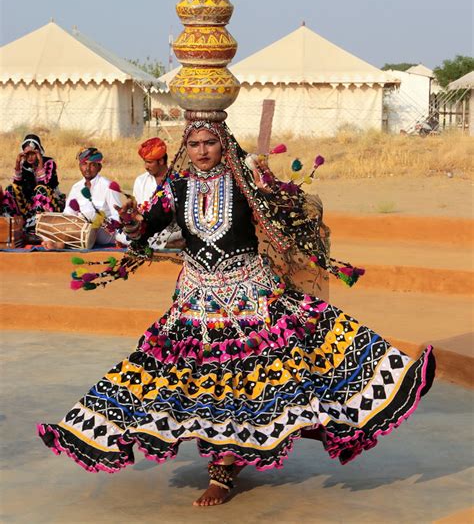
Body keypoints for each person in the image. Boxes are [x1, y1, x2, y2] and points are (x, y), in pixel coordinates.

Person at [38, 121, 435, 507]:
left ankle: (229, 469)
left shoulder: (244, 181)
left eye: (210, 143)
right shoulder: (174, 186)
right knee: (195, 380)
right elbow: (148, 227)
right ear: (185, 149)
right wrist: (132, 220)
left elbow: (285, 217)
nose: (203, 151)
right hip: (197, 298)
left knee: (266, 367)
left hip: (251, 292)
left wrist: (273, 186)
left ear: (224, 144)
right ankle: (182, 453)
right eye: (195, 145)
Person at [116, 137, 183, 250]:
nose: (146, 166)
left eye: (149, 162)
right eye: (145, 162)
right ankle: (156, 244)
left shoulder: (176, 180)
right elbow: (139, 209)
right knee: (120, 233)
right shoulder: (141, 181)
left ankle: (154, 243)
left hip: (171, 228)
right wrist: (129, 216)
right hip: (146, 226)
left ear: (161, 161)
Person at [1, 133, 64, 241]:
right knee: (10, 189)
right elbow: (17, 185)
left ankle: (35, 226)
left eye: (33, 153)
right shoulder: (24, 165)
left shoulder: (49, 163)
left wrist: (40, 164)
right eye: (27, 154)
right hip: (29, 207)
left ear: (39, 151)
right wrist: (17, 164)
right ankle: (12, 224)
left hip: (49, 204)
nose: (30, 157)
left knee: (40, 190)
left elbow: (45, 185)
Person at [62, 147, 122, 246]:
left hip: (103, 233)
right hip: (80, 232)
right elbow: (68, 214)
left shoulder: (108, 186)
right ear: (79, 166)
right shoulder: (76, 188)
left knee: (92, 222)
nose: (87, 168)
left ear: (99, 167)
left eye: (92, 165)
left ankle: (64, 243)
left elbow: (118, 216)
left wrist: (104, 223)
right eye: (84, 164)